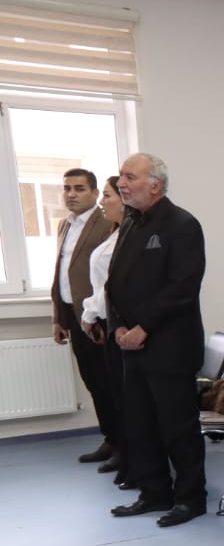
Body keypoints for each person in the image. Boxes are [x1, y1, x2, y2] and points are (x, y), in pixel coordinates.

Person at [107, 153, 208, 527]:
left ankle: (190, 498)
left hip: (170, 347)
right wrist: (118, 326)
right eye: (121, 176)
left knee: (177, 427)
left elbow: (182, 287)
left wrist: (144, 327)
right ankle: (154, 492)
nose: (122, 183)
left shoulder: (182, 225)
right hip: (131, 344)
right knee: (141, 424)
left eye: (129, 176)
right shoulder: (130, 223)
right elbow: (113, 283)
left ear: (155, 184)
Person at [51, 168, 117, 468]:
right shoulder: (64, 224)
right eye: (67, 188)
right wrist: (59, 318)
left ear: (94, 193)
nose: (71, 194)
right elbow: (61, 274)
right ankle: (110, 438)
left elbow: (109, 276)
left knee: (109, 383)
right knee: (93, 382)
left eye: (79, 188)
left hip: (98, 318)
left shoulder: (107, 223)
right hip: (74, 316)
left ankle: (124, 446)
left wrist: (98, 319)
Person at [80, 176, 130, 488]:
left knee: (121, 396)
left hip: (118, 323)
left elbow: (111, 287)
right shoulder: (115, 233)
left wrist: (89, 313)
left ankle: (128, 454)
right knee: (109, 391)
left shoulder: (128, 237)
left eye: (108, 195)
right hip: (106, 321)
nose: (103, 202)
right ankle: (120, 447)